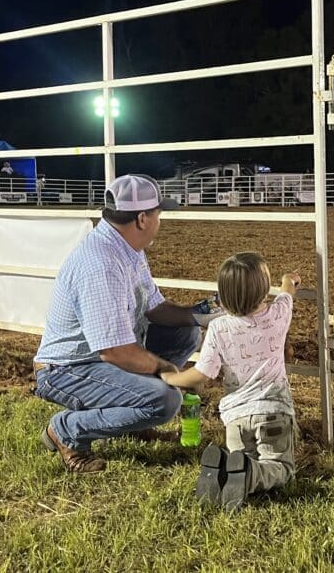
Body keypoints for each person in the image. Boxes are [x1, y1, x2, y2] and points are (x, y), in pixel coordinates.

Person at [33, 174, 221, 474]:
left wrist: (197, 314)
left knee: (185, 332)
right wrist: (167, 370)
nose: (160, 221)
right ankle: (66, 430)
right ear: (143, 219)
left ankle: (135, 418)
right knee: (165, 400)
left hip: (98, 358)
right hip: (68, 369)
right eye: (158, 214)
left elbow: (155, 308)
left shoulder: (125, 249)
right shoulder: (103, 265)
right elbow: (115, 351)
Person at [161, 253, 300, 511]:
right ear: (264, 290)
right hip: (274, 411)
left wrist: (172, 377)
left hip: (235, 418)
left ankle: (228, 471)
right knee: (280, 467)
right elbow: (287, 293)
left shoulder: (218, 328)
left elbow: (203, 373)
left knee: (243, 458)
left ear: (222, 296)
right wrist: (288, 280)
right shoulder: (277, 316)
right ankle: (249, 475)